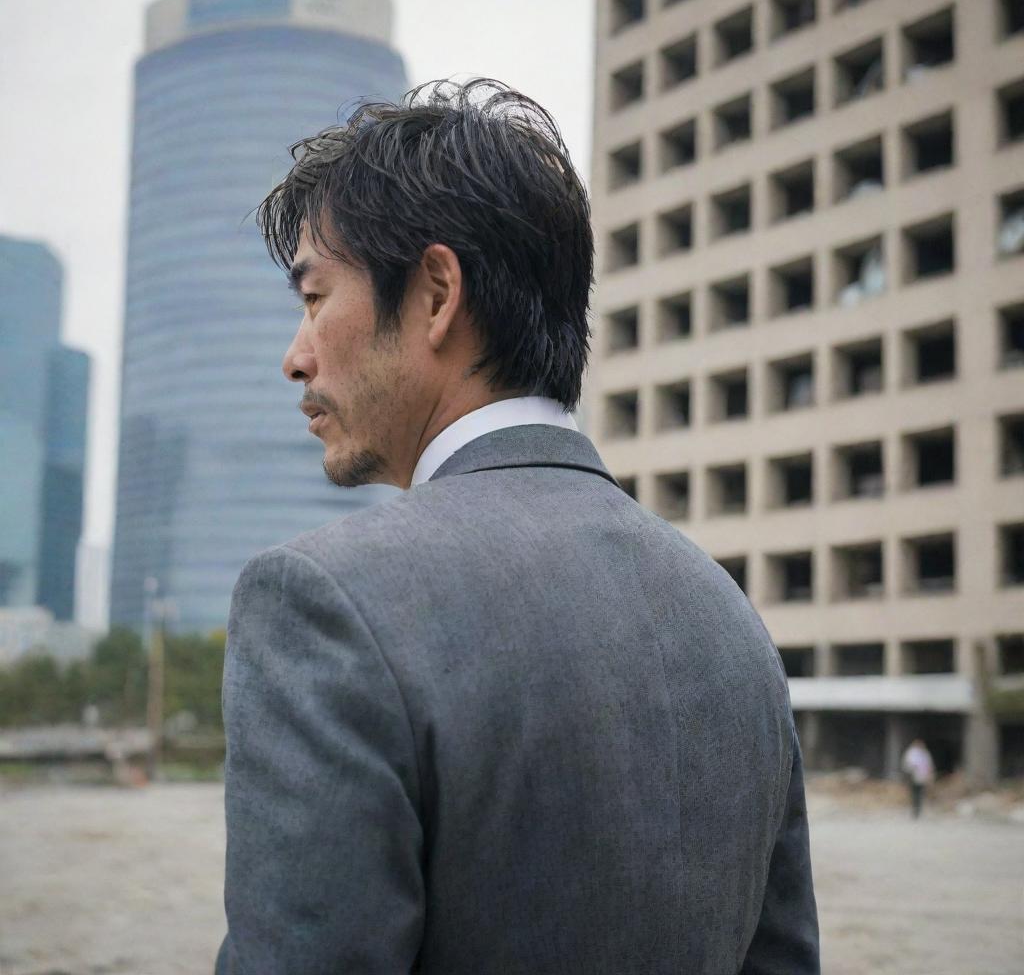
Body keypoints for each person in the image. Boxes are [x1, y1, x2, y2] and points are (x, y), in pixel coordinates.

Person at [214, 78, 819, 974]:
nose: (294, 357)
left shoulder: (323, 606)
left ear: (434, 294)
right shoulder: (728, 615)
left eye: (313, 299)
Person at [901, 738, 936, 819]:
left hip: (922, 778)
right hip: (913, 777)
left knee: (921, 795)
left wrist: (929, 775)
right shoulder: (911, 753)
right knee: (914, 795)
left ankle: (919, 811)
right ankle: (915, 811)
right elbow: (907, 765)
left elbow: (929, 765)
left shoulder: (925, 753)